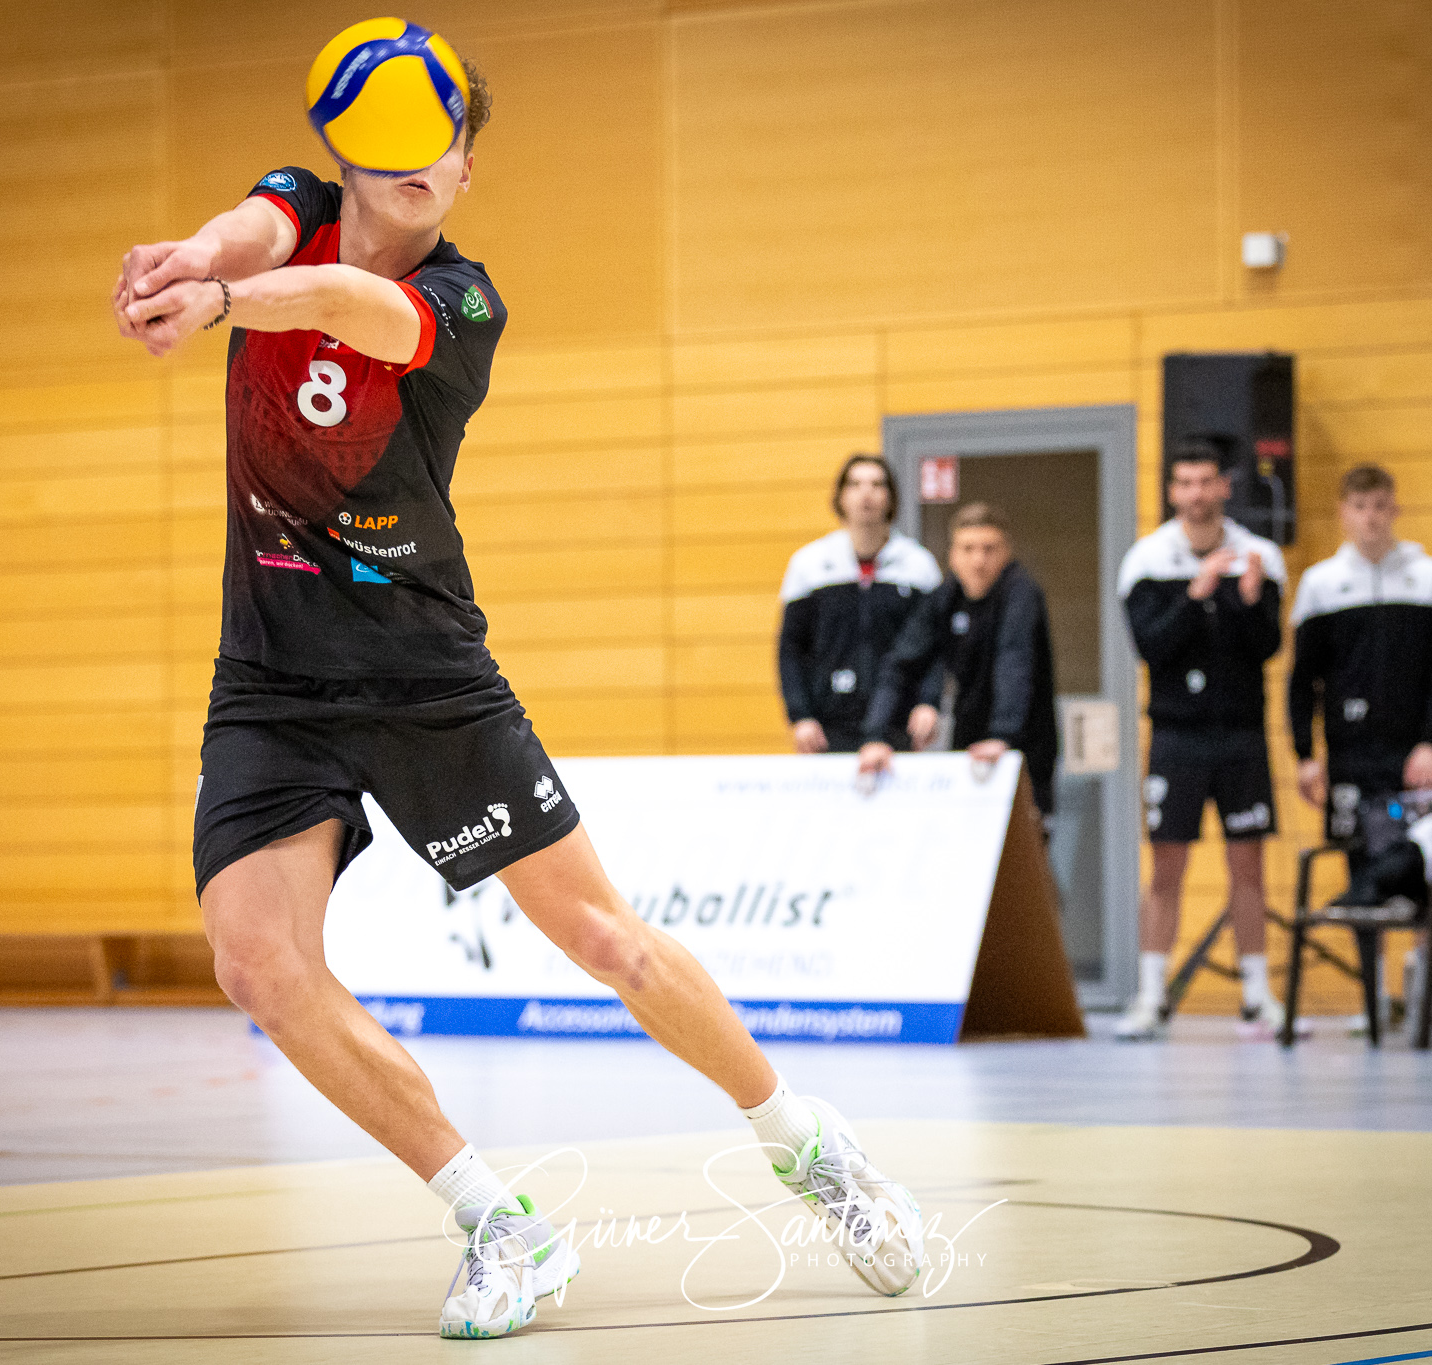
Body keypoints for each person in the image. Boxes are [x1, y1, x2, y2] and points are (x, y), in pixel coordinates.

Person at [111, 38, 923, 1341]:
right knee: (257, 962)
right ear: (356, 147)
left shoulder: (461, 303)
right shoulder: (292, 213)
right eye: (406, 133)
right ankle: (500, 1219)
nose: (433, 162)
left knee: (607, 942)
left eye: (451, 142)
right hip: (268, 677)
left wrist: (218, 303)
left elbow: (335, 307)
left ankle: (807, 1142)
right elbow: (254, 228)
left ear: (466, 167)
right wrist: (186, 263)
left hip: (425, 673)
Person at [1113, 441, 1288, 1041]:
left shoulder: (1259, 556)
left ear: (1224, 488)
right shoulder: (1147, 560)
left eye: (1205, 481)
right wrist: (1196, 594)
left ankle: (1258, 995)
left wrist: (1242, 602)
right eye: (1184, 482)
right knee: (1166, 866)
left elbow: (1267, 646)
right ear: (1171, 491)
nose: (1195, 493)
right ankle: (1152, 994)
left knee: (1248, 864)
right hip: (1176, 735)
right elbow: (1150, 646)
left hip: (1240, 733)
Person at [854, 503, 1059, 816]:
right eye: (968, 548)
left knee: (1024, 857)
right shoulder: (946, 596)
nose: (978, 560)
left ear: (1006, 553)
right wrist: (876, 736)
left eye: (989, 549)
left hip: (1023, 746)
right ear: (953, 554)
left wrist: (1002, 736)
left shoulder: (1020, 594)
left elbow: (1013, 663)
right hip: (970, 740)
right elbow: (902, 663)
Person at [1288, 464, 1432, 841]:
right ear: (1343, 512)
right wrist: (1305, 754)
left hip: (1413, 752)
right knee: (1357, 856)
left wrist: (1431, 742)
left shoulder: (1429, 577)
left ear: (1394, 510)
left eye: (1380, 506)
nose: (1370, 516)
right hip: (1349, 752)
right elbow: (1302, 678)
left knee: (1417, 860)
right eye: (1360, 506)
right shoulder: (1320, 584)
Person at [777, 456, 942, 753]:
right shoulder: (809, 564)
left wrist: (929, 702)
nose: (866, 493)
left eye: (877, 484)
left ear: (890, 497)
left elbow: (934, 649)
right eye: (855, 484)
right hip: (827, 727)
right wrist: (800, 715)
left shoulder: (919, 566)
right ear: (841, 497)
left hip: (899, 725)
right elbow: (790, 649)